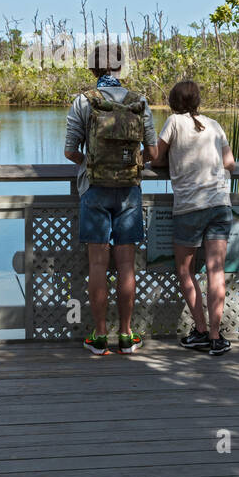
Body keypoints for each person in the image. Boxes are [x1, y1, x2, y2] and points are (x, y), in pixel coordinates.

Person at [64, 40, 157, 355]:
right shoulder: (139, 101)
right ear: (120, 67)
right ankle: (128, 336)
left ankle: (100, 335)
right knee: (127, 265)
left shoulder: (83, 101)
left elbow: (70, 151)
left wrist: (93, 163)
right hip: (129, 191)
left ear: (93, 68)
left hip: (94, 190)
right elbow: (154, 152)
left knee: (98, 265)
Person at [151, 80, 235, 356]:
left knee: (185, 270)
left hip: (189, 207)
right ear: (198, 101)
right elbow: (229, 163)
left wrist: (173, 161)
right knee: (216, 271)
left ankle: (199, 329)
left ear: (174, 102)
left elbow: (155, 157)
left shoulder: (174, 122)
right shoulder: (214, 125)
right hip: (220, 204)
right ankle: (215, 336)